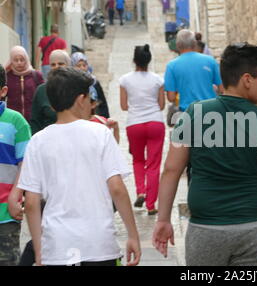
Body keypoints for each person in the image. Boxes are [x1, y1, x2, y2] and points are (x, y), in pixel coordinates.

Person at [152, 43, 257, 266]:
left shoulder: (194, 113)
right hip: (255, 230)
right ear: (247, 79)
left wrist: (163, 220)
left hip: (205, 230)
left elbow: (171, 170)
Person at [17, 67, 141, 266]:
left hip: (57, 247)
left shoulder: (38, 141)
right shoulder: (100, 134)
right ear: (80, 99)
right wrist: (133, 235)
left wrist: (40, 250)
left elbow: (31, 202)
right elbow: (117, 188)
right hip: (99, 245)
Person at [120, 45, 165, 215]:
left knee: (138, 160)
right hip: (155, 123)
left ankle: (140, 191)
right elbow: (161, 105)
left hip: (134, 124)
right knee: (153, 165)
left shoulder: (125, 80)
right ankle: (151, 205)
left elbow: (124, 106)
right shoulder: (157, 80)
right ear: (149, 60)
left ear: (134, 60)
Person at [0, 64, 32, 266]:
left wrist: (15, 196)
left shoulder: (16, 122)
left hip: (5, 213)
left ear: (3, 91)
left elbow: (26, 164)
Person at [165, 29, 223, 113]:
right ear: (194, 43)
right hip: (211, 112)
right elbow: (222, 89)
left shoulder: (172, 66)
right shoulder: (210, 60)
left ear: (177, 45)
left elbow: (171, 97)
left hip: (188, 113)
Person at [30, 50, 71, 135]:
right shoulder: (41, 90)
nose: (56, 67)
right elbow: (35, 121)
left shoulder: (76, 88)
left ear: (68, 65)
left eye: (60, 64)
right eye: (53, 64)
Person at [4, 46, 44, 122]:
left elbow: (42, 96)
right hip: (13, 120)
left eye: (22, 60)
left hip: (34, 120)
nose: (19, 63)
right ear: (11, 61)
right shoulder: (7, 77)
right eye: (16, 60)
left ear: (26, 59)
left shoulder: (36, 75)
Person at [71, 52, 110, 118]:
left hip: (94, 117)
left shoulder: (94, 81)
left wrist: (105, 119)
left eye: (84, 65)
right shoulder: (70, 83)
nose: (82, 68)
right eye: (78, 65)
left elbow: (102, 103)